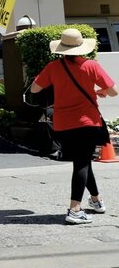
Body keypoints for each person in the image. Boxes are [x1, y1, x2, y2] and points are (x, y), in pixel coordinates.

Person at [30, 28, 118, 225]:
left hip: (63, 124)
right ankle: (75, 209)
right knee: (82, 163)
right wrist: (99, 91)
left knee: (83, 161)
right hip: (87, 122)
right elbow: (114, 91)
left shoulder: (53, 67)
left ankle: (96, 200)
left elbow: (35, 88)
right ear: (81, 48)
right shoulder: (91, 65)